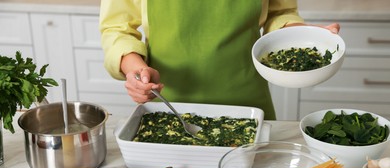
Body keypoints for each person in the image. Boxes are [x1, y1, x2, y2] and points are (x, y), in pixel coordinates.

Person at [99, 0, 340, 120]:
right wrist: (136, 69)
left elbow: (279, 12)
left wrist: (301, 35)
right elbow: (117, 27)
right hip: (167, 101)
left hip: (248, 103)